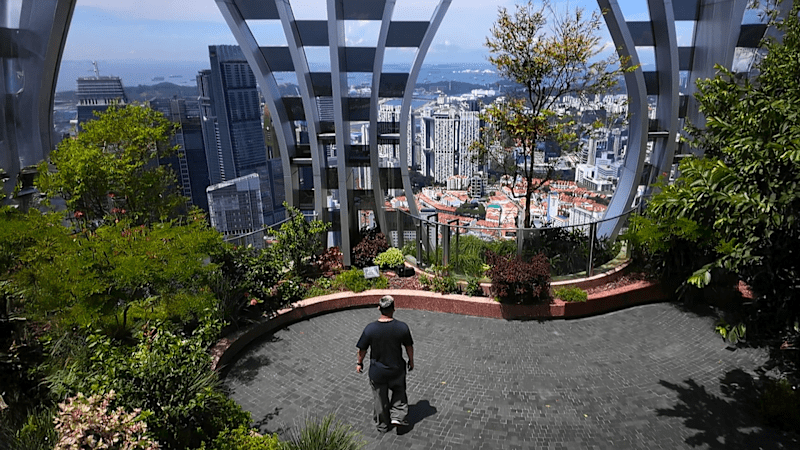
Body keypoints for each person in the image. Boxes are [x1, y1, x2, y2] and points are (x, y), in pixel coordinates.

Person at [356, 295, 414, 433]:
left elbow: (362, 349)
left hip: (378, 372)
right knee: (399, 391)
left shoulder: (370, 329)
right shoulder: (402, 327)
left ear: (379, 308)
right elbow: (409, 346)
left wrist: (359, 363)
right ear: (394, 309)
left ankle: (382, 425)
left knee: (380, 399)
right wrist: (411, 361)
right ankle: (398, 416)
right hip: (397, 369)